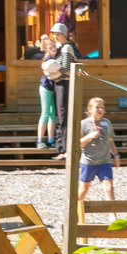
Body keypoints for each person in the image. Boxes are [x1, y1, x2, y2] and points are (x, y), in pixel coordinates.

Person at [77, 96, 119, 202]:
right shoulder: (84, 123)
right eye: (97, 107)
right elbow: (78, 144)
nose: (100, 110)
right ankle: (75, 212)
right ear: (90, 109)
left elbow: (111, 140)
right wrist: (89, 136)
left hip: (105, 161)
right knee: (84, 189)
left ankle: (112, 215)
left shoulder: (107, 123)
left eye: (102, 107)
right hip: (89, 161)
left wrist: (116, 155)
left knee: (109, 188)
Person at [48, 21, 79, 156]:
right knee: (59, 116)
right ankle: (61, 148)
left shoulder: (66, 48)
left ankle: (65, 149)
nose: (55, 37)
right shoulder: (61, 48)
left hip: (64, 85)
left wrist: (51, 74)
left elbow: (66, 69)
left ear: (64, 35)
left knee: (63, 116)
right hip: (59, 84)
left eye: (58, 34)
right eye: (54, 35)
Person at [36, 56, 60, 149]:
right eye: (50, 48)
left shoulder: (58, 56)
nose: (53, 49)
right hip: (45, 87)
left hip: (54, 88)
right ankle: (40, 140)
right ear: (47, 49)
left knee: (52, 114)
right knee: (45, 112)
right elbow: (45, 69)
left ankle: (50, 140)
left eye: (54, 47)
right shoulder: (48, 58)